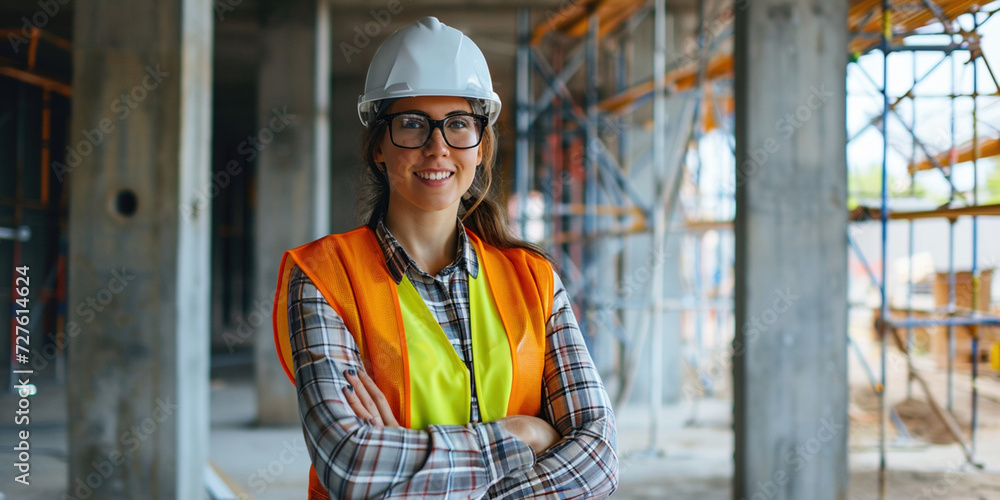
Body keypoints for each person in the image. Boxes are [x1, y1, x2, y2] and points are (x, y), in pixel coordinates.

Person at [272, 16, 618, 499]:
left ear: (481, 146)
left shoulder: (534, 281)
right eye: (412, 124)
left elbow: (597, 460)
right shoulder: (325, 277)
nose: (437, 147)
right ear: (378, 147)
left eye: (458, 124)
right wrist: (526, 436)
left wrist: (406, 460)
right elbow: (350, 465)